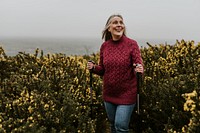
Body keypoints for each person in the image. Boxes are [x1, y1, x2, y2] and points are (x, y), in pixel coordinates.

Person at [87, 14, 144, 133]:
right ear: (109, 28)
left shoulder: (131, 44)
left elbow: (138, 64)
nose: (119, 25)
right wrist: (93, 68)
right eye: (115, 22)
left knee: (121, 127)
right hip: (109, 94)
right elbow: (103, 69)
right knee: (113, 125)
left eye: (121, 22)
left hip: (127, 94)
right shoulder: (105, 46)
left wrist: (139, 69)